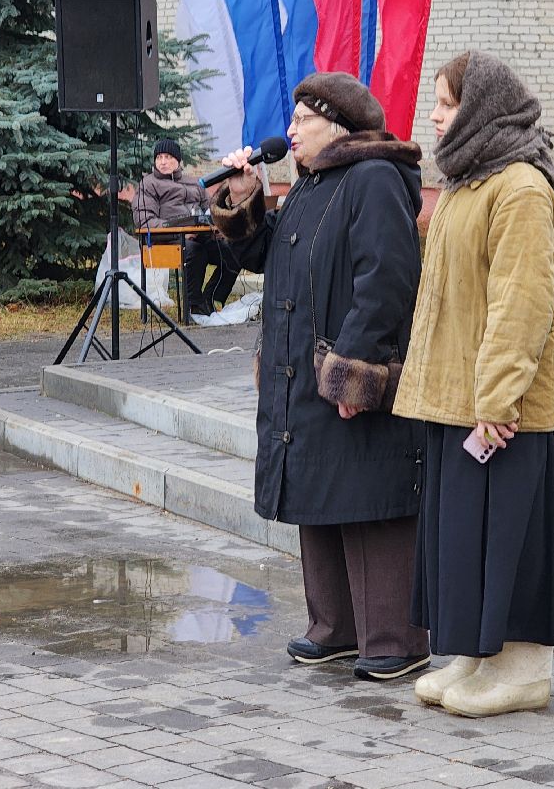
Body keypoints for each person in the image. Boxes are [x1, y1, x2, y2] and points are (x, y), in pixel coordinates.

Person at [210, 73, 428, 682]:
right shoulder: (313, 185)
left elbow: (385, 279)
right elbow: (268, 257)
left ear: (336, 126)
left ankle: (394, 639)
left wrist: (352, 371)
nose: (291, 131)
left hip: (349, 374)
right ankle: (334, 629)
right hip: (299, 375)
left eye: (303, 120)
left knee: (371, 503)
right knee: (319, 495)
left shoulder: (374, 178)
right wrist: (244, 197)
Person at [394, 51, 554, 718]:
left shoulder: (521, 188)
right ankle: (478, 656)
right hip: (455, 399)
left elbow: (521, 306)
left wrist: (497, 400)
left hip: (502, 412)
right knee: (469, 541)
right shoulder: (470, 182)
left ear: (480, 110)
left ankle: (523, 668)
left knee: (511, 544)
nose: (435, 115)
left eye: (445, 102)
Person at [132, 138, 237, 319]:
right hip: (166, 240)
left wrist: (217, 226)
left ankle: (210, 300)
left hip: (201, 235)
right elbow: (145, 221)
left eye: (168, 157)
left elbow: (209, 210)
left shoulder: (195, 183)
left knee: (232, 252)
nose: (163, 162)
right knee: (196, 252)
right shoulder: (148, 184)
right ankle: (194, 305)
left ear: (178, 161)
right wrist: (180, 232)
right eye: (159, 158)